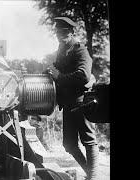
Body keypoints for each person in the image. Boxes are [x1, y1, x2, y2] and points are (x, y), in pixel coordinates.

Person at [45, 17, 100, 180]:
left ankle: (93, 176)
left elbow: (84, 75)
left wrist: (59, 76)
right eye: (57, 33)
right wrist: (50, 72)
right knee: (68, 145)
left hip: (82, 101)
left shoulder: (79, 49)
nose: (59, 36)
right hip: (68, 103)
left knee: (89, 140)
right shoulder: (62, 50)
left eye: (63, 33)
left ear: (71, 33)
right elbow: (57, 70)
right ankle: (90, 174)